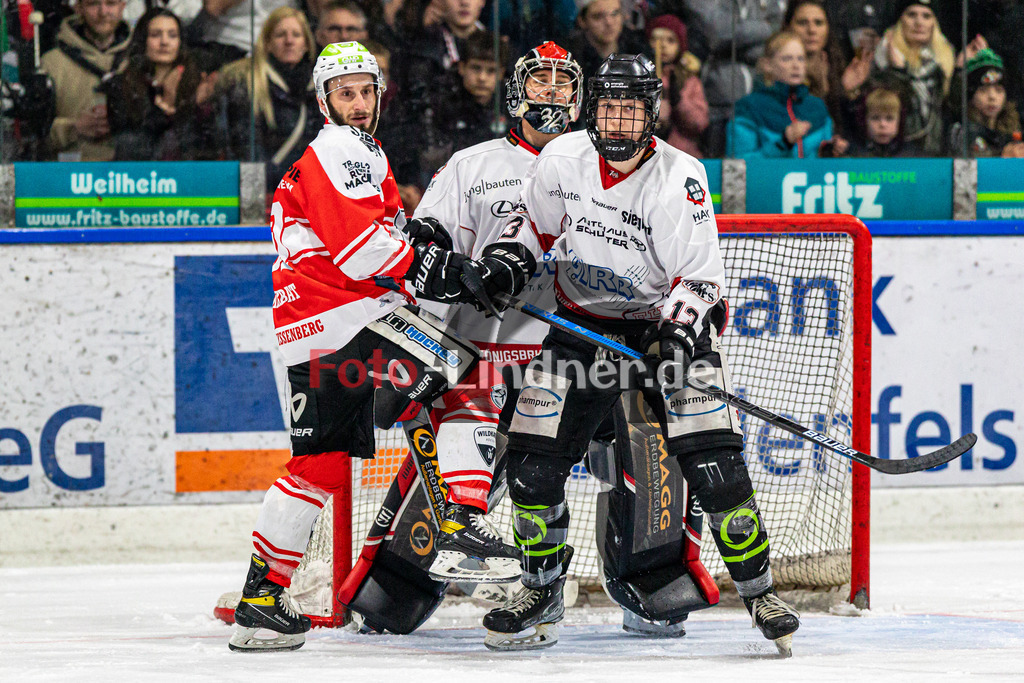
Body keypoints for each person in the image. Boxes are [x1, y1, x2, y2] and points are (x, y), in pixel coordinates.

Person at [476, 52, 801, 653]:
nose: (619, 122)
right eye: (609, 108)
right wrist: (507, 263)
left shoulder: (681, 177)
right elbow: (534, 228)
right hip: (583, 329)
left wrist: (673, 339)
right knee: (531, 466)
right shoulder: (561, 158)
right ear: (592, 111)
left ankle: (759, 593)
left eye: (631, 110)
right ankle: (541, 590)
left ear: (651, 114)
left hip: (664, 330)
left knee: (717, 468)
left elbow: (699, 279)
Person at [228, 40, 518, 653]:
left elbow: (371, 237)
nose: (358, 104)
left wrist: (428, 253)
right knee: (466, 373)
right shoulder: (344, 148)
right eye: (346, 93)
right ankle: (461, 521)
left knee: (317, 466)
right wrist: (442, 269)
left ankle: (261, 598)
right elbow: (363, 252)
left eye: (366, 91)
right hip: (350, 321)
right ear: (324, 101)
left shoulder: (316, 159)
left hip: (307, 333)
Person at [216, 7, 321, 193]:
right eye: (280, 35)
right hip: (264, 190)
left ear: (306, 44)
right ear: (268, 43)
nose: (289, 41)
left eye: (296, 35)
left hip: (309, 190)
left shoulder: (319, 87)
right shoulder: (247, 82)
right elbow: (245, 146)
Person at [103, 8, 218, 160]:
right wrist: (166, 106)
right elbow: (131, 147)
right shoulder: (120, 85)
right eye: (155, 35)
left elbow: (205, 145)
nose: (164, 42)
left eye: (172, 35)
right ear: (143, 40)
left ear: (180, 42)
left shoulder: (196, 83)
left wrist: (196, 105)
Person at [40, 0, 132, 161]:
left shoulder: (139, 59)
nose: (103, 12)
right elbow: (32, 137)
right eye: (93, 4)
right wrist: (73, 128)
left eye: (111, 3)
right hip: (70, 171)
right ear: (78, 8)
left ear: (122, 7)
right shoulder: (51, 63)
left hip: (133, 172)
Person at [728, 30, 837, 159]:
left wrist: (832, 150)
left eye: (801, 59)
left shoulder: (817, 107)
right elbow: (738, 164)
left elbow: (824, 160)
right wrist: (783, 143)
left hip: (811, 173)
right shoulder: (748, 108)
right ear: (767, 65)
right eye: (787, 59)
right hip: (768, 173)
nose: (796, 65)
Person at [872, 0, 954, 155]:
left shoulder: (944, 65)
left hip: (936, 156)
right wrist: (898, 72)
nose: (919, 22)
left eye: (926, 16)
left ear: (934, 23)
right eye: (911, 15)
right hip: (897, 155)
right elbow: (892, 108)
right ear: (900, 20)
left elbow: (952, 111)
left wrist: (961, 71)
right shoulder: (880, 62)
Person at [645, 12, 708, 157]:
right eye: (656, 40)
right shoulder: (643, 78)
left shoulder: (689, 80)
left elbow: (699, 123)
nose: (663, 45)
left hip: (682, 152)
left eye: (670, 40)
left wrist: (679, 101)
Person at [947, 48, 1024, 158]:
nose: (992, 97)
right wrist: (1003, 157)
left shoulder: (1011, 131)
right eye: (983, 90)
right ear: (971, 96)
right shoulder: (963, 131)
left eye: (999, 90)